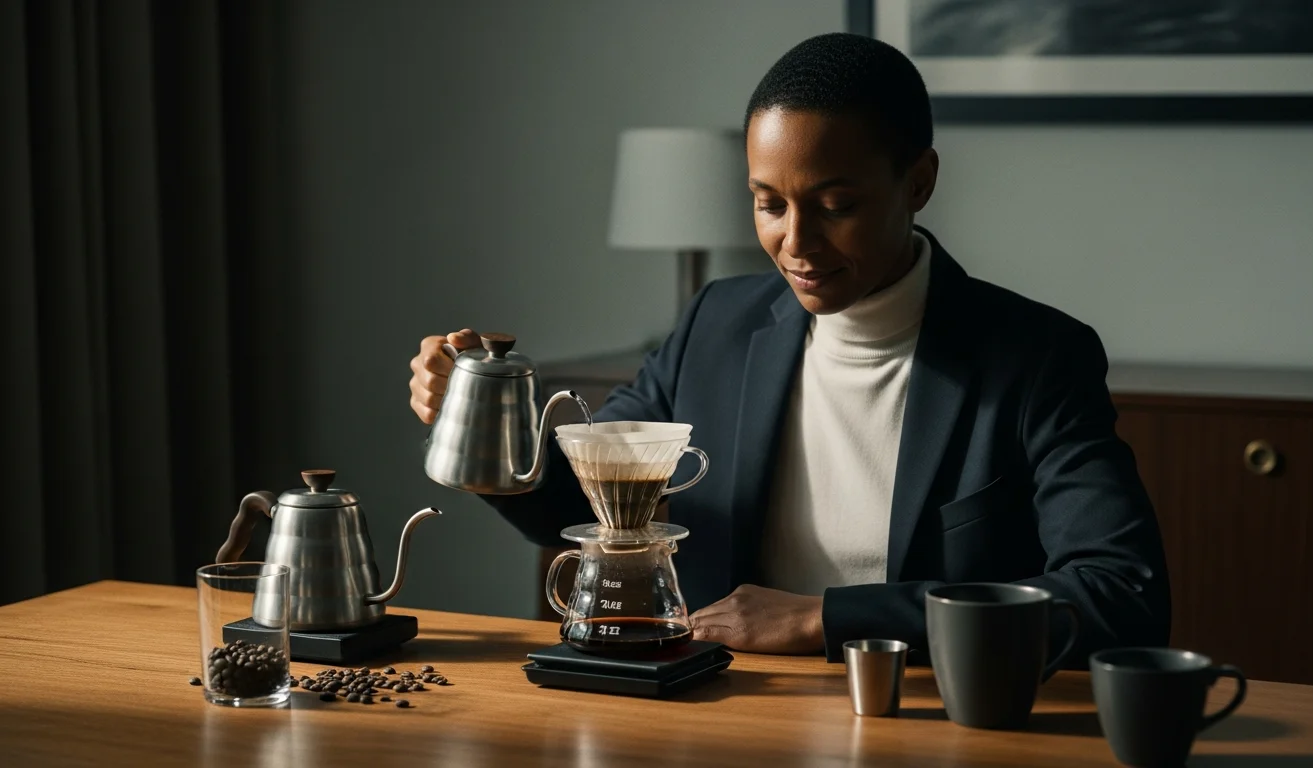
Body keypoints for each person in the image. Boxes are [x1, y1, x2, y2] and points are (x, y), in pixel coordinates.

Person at [408, 32, 1170, 663]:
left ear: (920, 183)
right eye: (768, 204)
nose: (794, 244)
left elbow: (1120, 596)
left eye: (836, 206)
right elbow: (591, 507)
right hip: (718, 713)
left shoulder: (1036, 358)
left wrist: (824, 619)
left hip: (927, 724)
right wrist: (477, 432)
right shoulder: (719, 322)